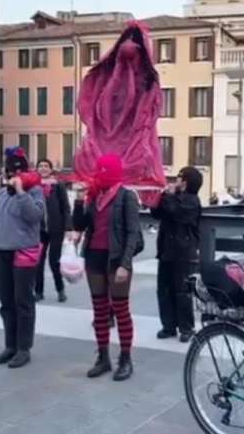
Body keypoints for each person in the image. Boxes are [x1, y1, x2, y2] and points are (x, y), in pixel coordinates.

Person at [72, 154, 142, 381]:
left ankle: (125, 358)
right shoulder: (95, 195)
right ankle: (103, 357)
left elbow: (133, 232)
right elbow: (80, 224)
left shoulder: (126, 196)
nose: (98, 174)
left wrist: (125, 264)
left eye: (103, 170)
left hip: (116, 259)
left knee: (121, 310)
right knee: (99, 310)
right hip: (94, 256)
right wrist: (79, 200)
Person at [0, 147, 45, 369]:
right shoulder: (1, 194)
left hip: (24, 252)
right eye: (10, 171)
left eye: (17, 171)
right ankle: (10, 345)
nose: (12, 175)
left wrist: (21, 193)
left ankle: (23, 348)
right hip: (2, 252)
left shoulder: (35, 191)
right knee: (6, 302)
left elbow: (36, 216)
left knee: (23, 301)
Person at [151, 167, 202, 343]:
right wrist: (159, 197)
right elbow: (156, 213)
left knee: (182, 291)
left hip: (183, 251)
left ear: (186, 182)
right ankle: (168, 326)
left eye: (179, 178)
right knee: (164, 289)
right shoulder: (172, 198)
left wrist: (169, 195)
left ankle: (186, 327)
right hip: (166, 250)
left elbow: (176, 212)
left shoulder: (192, 201)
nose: (176, 181)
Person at [35, 158, 70, 303]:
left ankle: (60, 290)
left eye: (46, 166)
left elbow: (65, 207)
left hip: (56, 228)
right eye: (40, 166)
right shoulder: (33, 185)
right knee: (38, 261)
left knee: (54, 261)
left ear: (50, 169)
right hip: (38, 230)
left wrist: (68, 227)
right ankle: (38, 291)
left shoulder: (58, 185)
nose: (43, 168)